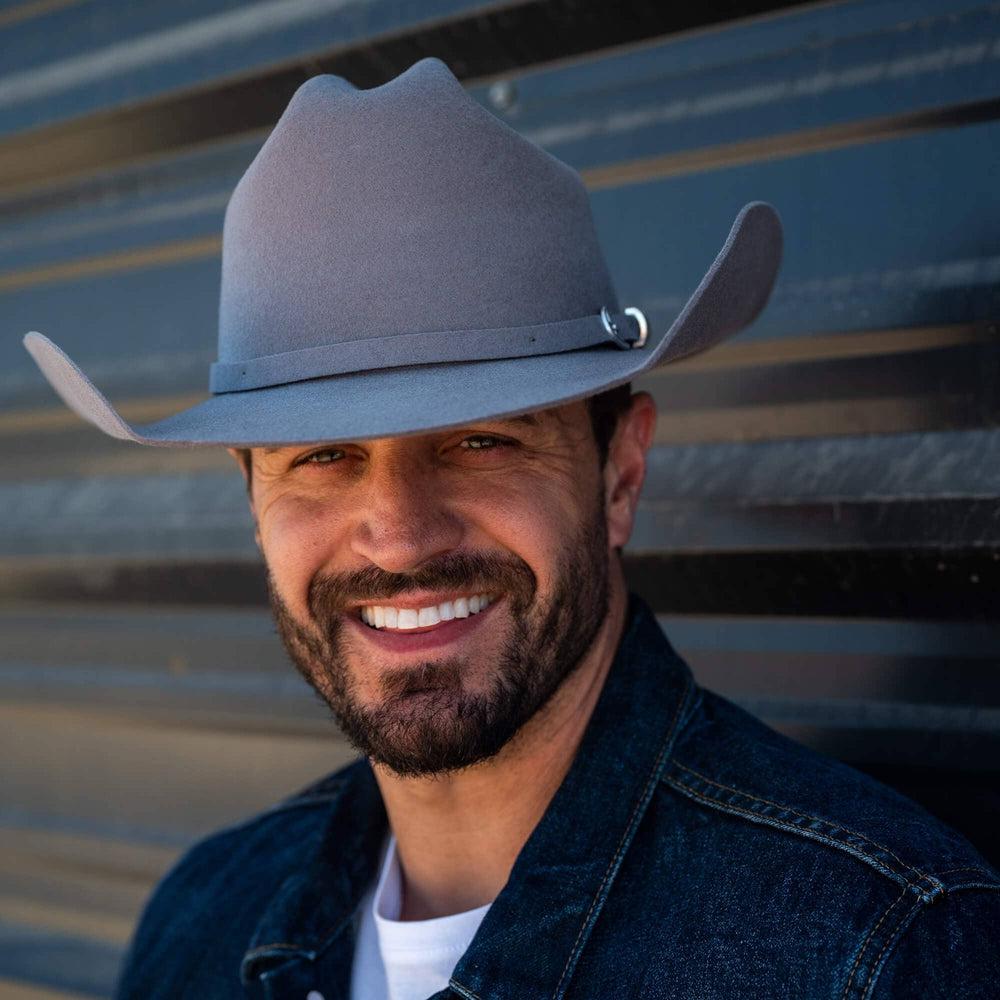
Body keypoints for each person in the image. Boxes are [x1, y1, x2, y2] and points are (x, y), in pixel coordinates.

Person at [25, 57, 999, 1000]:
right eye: (320, 455)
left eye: (482, 441)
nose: (399, 538)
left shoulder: (877, 951)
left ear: (619, 473)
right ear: (251, 499)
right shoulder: (201, 919)